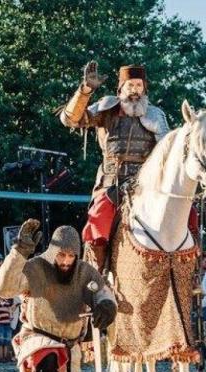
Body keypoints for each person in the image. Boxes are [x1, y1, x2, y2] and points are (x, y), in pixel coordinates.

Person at [0, 220, 117, 372]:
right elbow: (4, 288)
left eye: (71, 256)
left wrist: (107, 307)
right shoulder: (35, 267)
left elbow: (103, 293)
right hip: (37, 337)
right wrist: (19, 252)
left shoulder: (84, 272)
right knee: (49, 357)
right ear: (53, 252)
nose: (66, 261)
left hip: (70, 345)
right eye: (61, 255)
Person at [59, 60, 173, 269]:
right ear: (121, 88)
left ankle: (186, 273)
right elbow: (70, 120)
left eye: (139, 85)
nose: (135, 91)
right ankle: (95, 276)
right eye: (131, 85)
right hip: (112, 183)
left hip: (146, 185)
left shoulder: (156, 115)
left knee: (187, 215)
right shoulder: (107, 109)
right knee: (98, 221)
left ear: (145, 88)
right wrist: (85, 91)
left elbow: (168, 153)